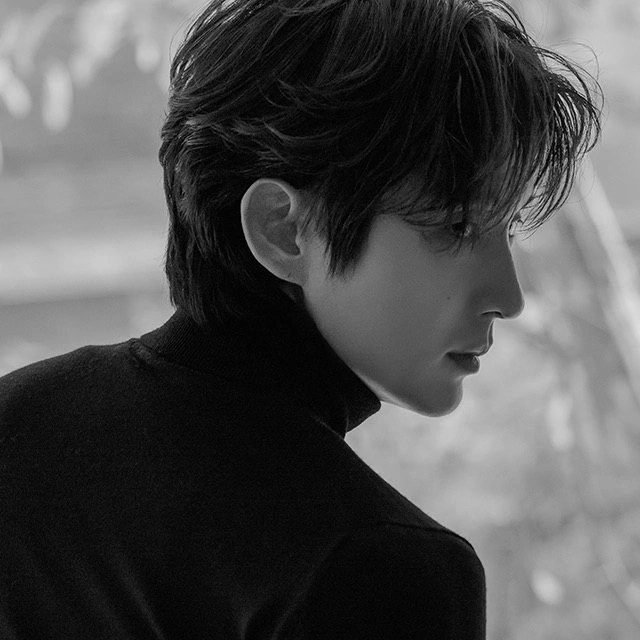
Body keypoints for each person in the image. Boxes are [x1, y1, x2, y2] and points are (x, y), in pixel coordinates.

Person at [0, 0, 601, 637]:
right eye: (457, 225)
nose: (508, 295)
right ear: (282, 229)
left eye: (508, 229)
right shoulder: (384, 570)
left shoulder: (18, 422)